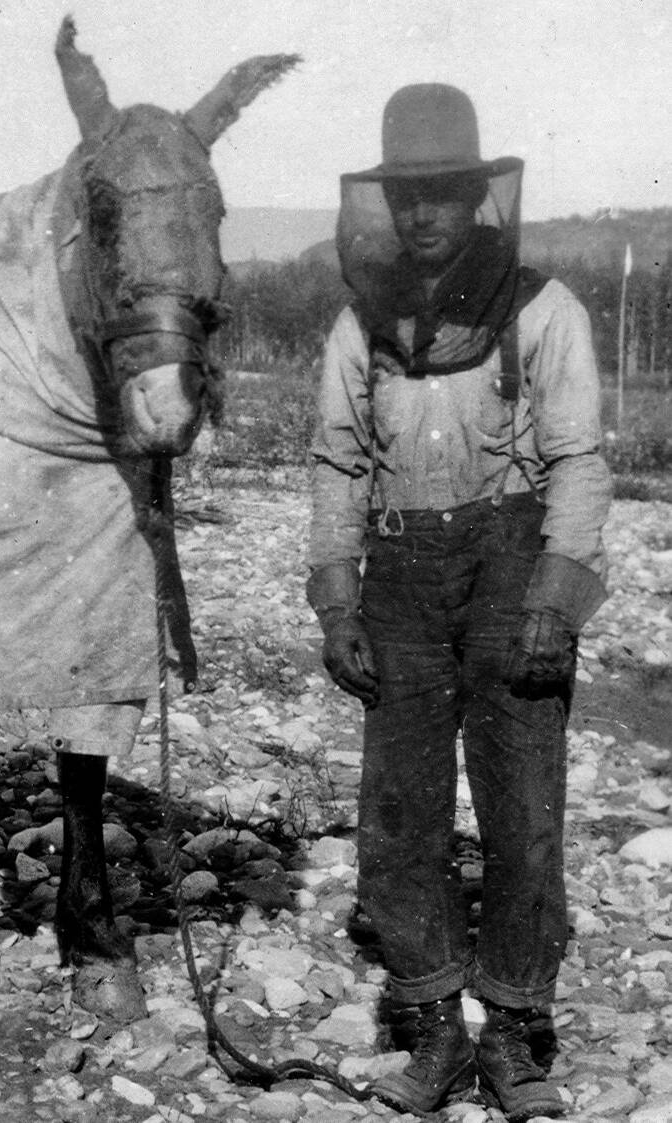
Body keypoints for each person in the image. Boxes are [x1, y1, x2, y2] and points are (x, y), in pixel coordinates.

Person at [308, 83, 611, 1120]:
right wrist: (335, 601)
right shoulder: (363, 322)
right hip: (399, 577)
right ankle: (435, 1029)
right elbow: (336, 464)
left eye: (443, 193)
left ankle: (517, 1034)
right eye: (408, 198)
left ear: (479, 195)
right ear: (386, 206)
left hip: (510, 570)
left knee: (523, 809)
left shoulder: (544, 310)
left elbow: (579, 463)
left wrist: (555, 603)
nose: (424, 215)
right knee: (400, 812)